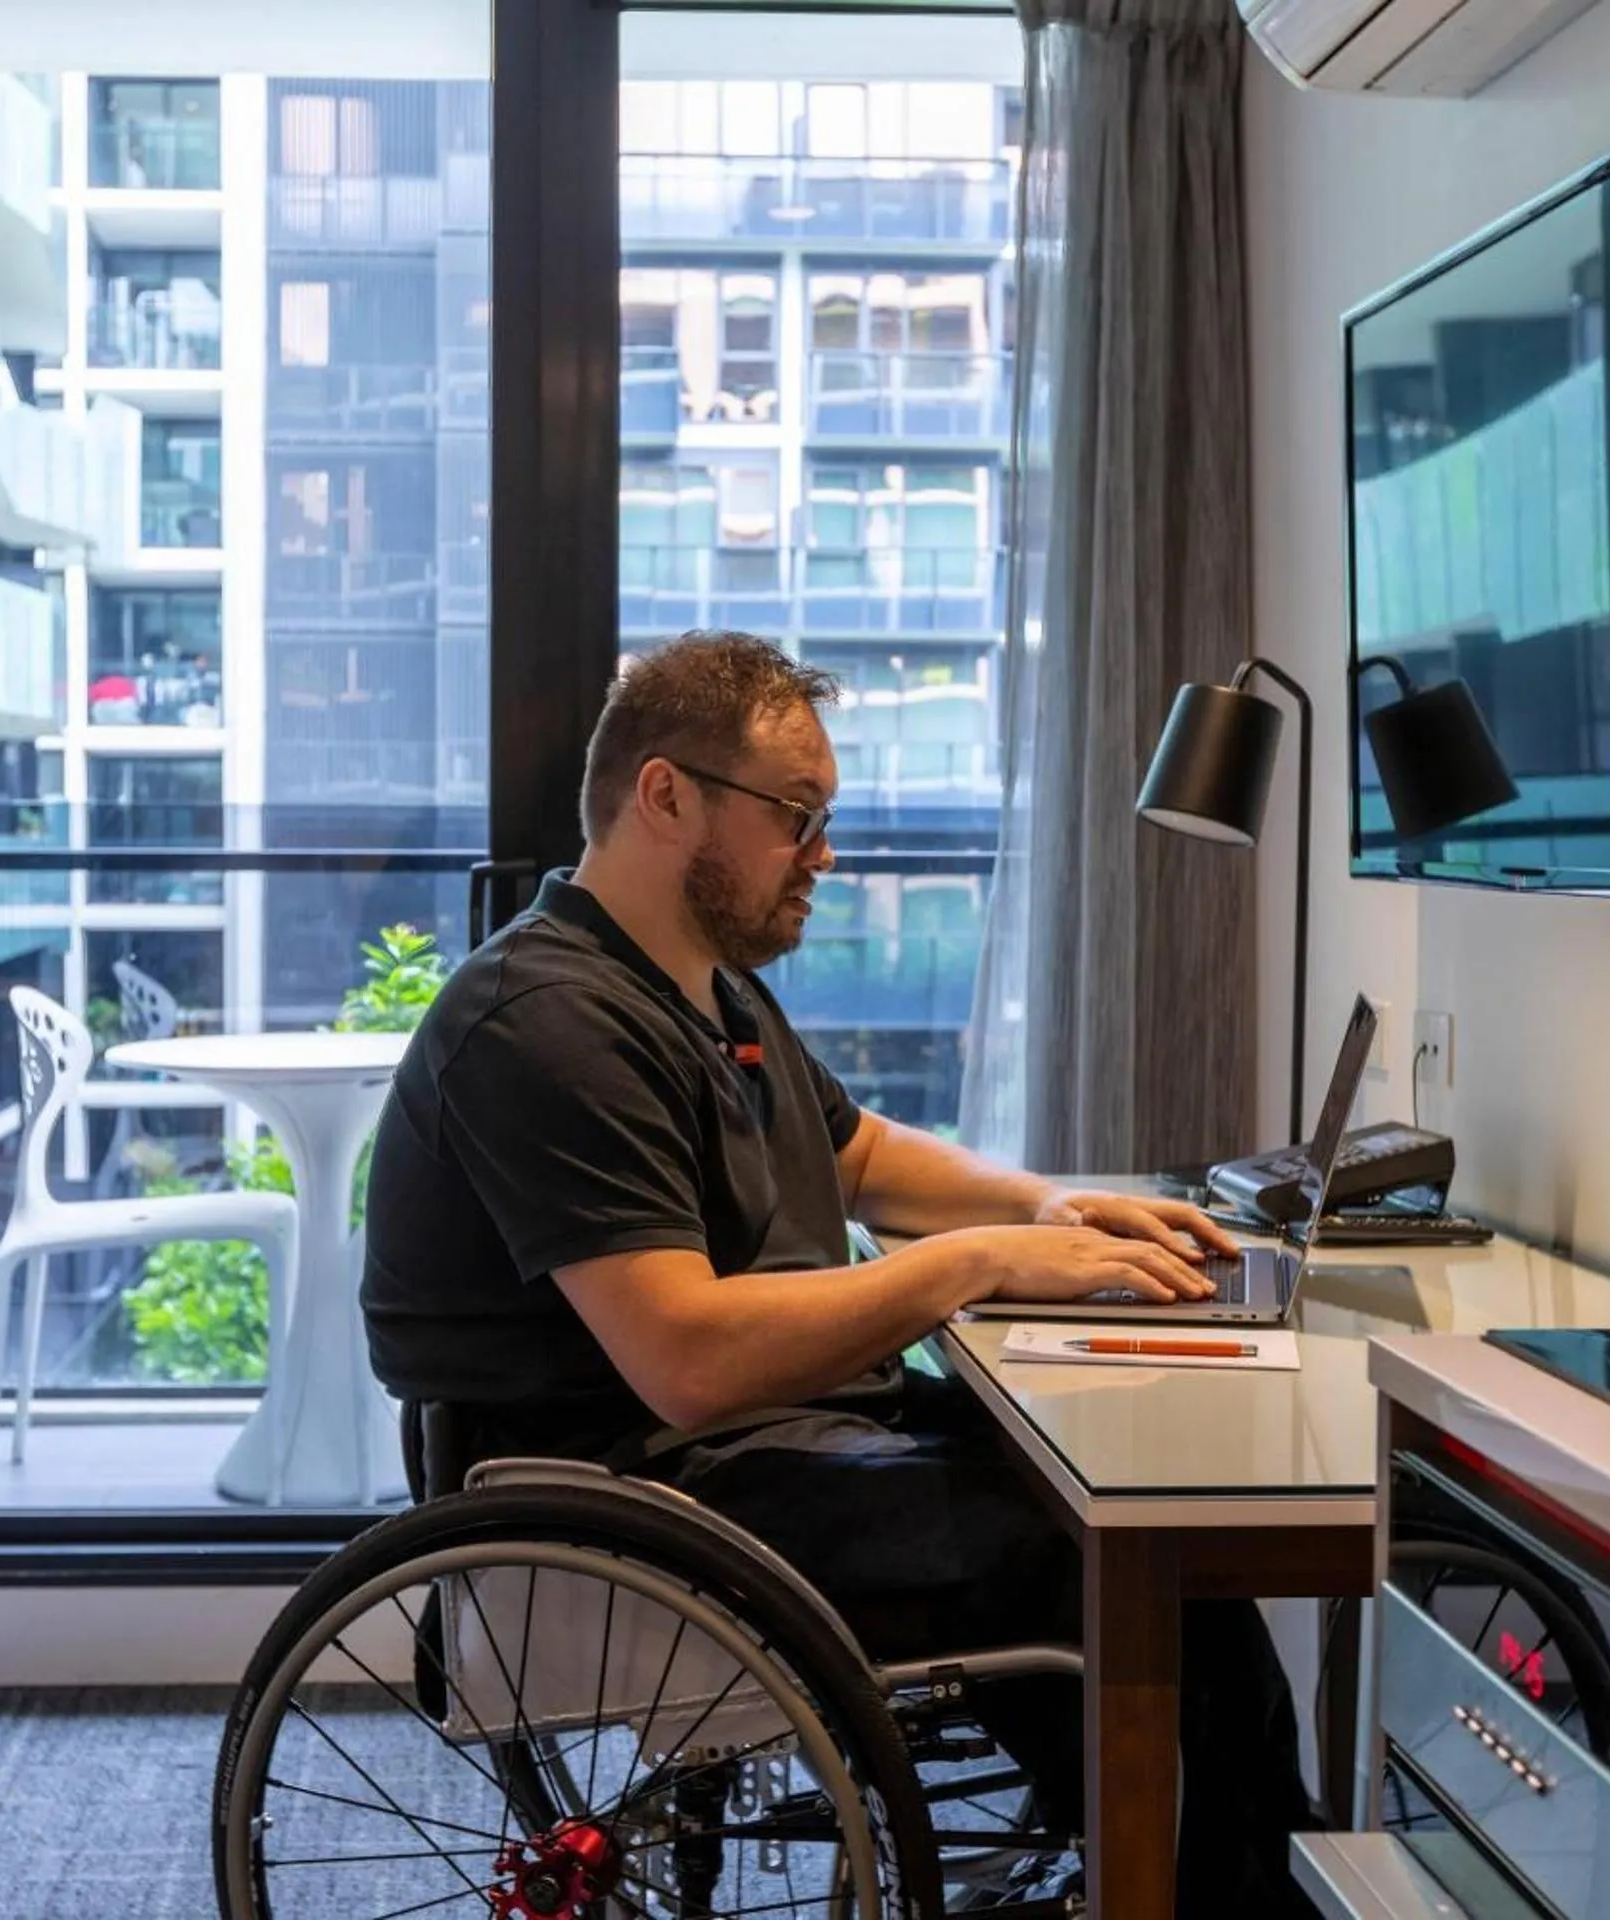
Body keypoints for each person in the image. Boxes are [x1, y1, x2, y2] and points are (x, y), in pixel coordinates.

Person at [362, 629, 1316, 1911]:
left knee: (1154, 1525)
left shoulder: (701, 989)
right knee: (1116, 1541)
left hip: (767, 1452)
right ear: (665, 796)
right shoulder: (547, 1024)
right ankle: (1191, 1876)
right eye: (797, 817)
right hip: (646, 1495)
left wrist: (1052, 1203)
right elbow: (688, 1359)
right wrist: (974, 1264)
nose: (824, 855)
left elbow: (860, 1156)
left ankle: (1224, 1872)